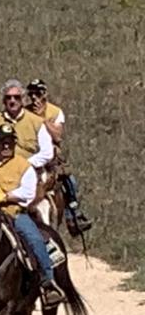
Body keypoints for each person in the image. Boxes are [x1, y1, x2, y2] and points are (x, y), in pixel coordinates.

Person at [0, 123, 63, 302]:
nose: (6, 146)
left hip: (13, 213)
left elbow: (28, 192)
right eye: (3, 142)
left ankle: (48, 283)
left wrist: (7, 196)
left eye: (10, 142)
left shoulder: (24, 166)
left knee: (35, 239)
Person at [27, 79, 92, 233]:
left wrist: (42, 120)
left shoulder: (55, 112)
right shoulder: (24, 112)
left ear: (45, 94)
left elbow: (57, 136)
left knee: (70, 181)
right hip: (31, 153)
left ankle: (73, 216)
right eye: (32, 94)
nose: (35, 97)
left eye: (38, 93)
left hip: (51, 157)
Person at [0, 80, 54, 171]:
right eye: (8, 97)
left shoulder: (36, 122)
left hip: (30, 170)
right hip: (0, 170)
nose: (12, 101)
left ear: (23, 99)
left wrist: (26, 165)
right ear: (4, 101)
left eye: (17, 97)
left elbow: (47, 152)